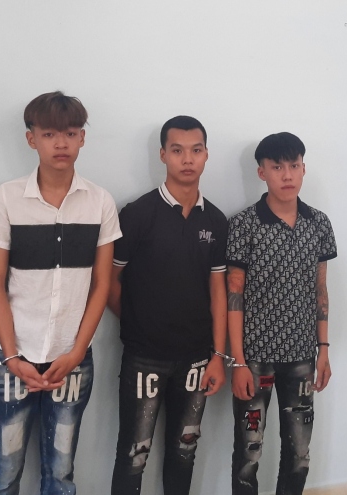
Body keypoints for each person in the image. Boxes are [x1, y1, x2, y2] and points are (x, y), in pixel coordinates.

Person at [0, 91, 120, 494]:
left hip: (71, 359)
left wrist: (75, 353)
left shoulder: (99, 202)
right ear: (32, 139)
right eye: (49, 134)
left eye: (71, 133)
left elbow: (101, 284)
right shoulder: (7, 198)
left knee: (60, 472)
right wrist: (11, 356)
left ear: (82, 138)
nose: (61, 143)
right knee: (4, 473)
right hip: (12, 358)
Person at [108, 115, 228, 494]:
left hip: (197, 357)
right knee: (134, 453)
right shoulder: (137, 214)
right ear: (163, 155)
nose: (187, 159)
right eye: (177, 150)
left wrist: (218, 355)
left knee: (184, 451)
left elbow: (219, 292)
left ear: (206, 154)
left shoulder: (216, 220)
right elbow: (109, 281)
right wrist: (138, 320)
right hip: (144, 357)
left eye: (195, 150)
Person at [225, 132, 337, 495]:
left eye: (294, 165)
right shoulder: (244, 224)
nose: (287, 175)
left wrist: (324, 349)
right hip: (255, 357)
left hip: (302, 356)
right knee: (248, 452)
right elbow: (234, 295)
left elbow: (320, 289)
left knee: (299, 453)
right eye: (277, 167)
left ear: (303, 168)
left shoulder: (318, 223)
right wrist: (238, 361)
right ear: (262, 173)